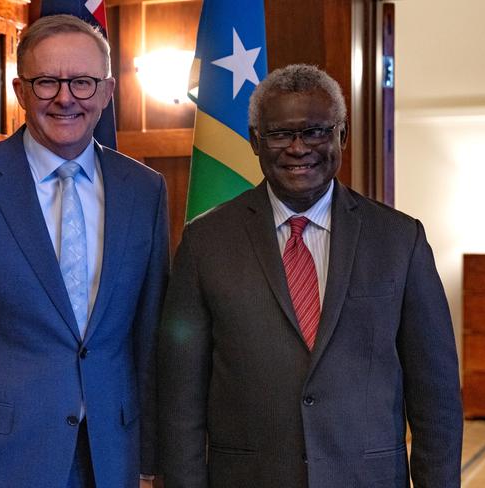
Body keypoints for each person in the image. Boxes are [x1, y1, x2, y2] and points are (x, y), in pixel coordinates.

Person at [157, 64, 462, 488]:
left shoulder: (399, 240)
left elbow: (437, 398)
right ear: (255, 141)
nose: (298, 149)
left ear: (342, 135)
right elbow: (180, 399)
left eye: (316, 131)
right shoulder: (205, 242)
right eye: (280, 134)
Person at [0, 14, 168, 488]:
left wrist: (149, 463)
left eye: (82, 83)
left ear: (106, 93)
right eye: (47, 83)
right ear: (21, 92)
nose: (66, 98)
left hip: (111, 459)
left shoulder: (144, 190)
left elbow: (147, 338)